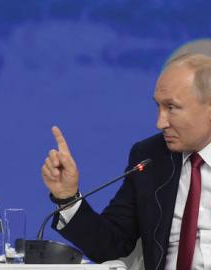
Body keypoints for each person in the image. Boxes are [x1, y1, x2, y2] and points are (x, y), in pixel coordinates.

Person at [41, 53, 211, 270]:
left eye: (172, 108)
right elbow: (111, 245)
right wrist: (67, 197)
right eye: (158, 107)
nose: (160, 122)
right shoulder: (151, 156)